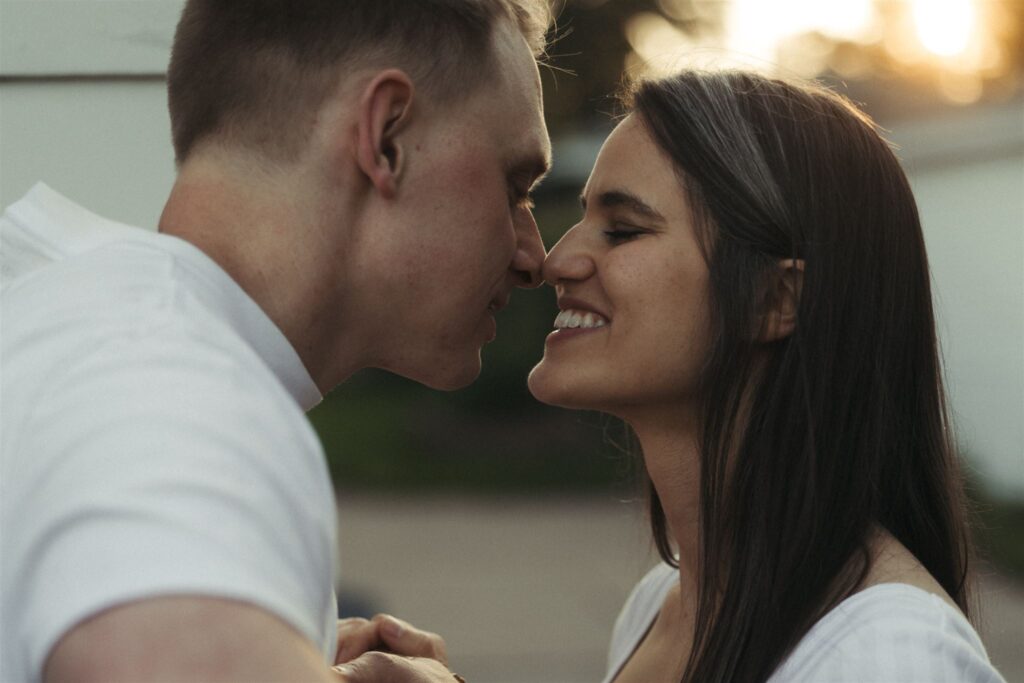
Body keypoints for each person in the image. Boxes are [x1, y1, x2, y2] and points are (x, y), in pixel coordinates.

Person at [0, 1, 551, 681]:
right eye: (515, 185)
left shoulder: (92, 330)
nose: (535, 255)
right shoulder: (171, 397)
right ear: (386, 138)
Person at [525, 70, 1008, 682]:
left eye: (622, 230)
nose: (557, 260)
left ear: (775, 298)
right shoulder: (661, 606)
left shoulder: (889, 657)